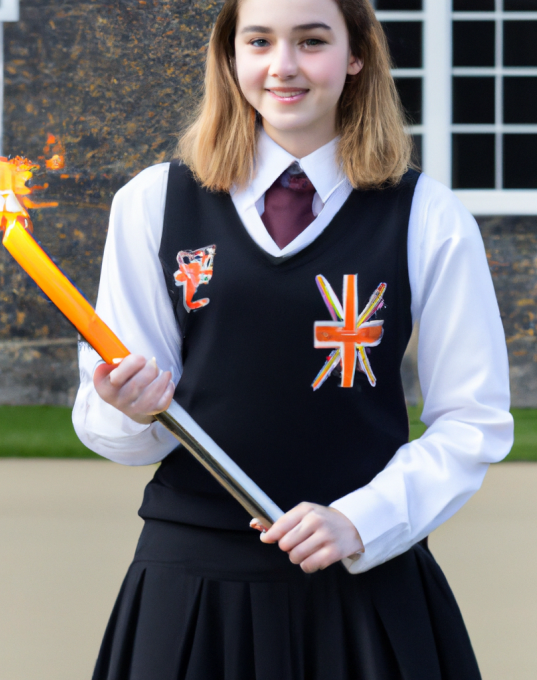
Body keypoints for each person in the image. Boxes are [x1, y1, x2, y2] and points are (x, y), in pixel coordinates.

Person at [73, 0, 514, 677]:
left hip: (362, 587)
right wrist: (126, 406)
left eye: (312, 41)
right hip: (191, 585)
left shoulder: (427, 214)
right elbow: (131, 434)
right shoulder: (152, 204)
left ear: (357, 53)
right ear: (231, 56)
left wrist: (362, 521)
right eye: (260, 41)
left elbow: (473, 419)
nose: (283, 66)